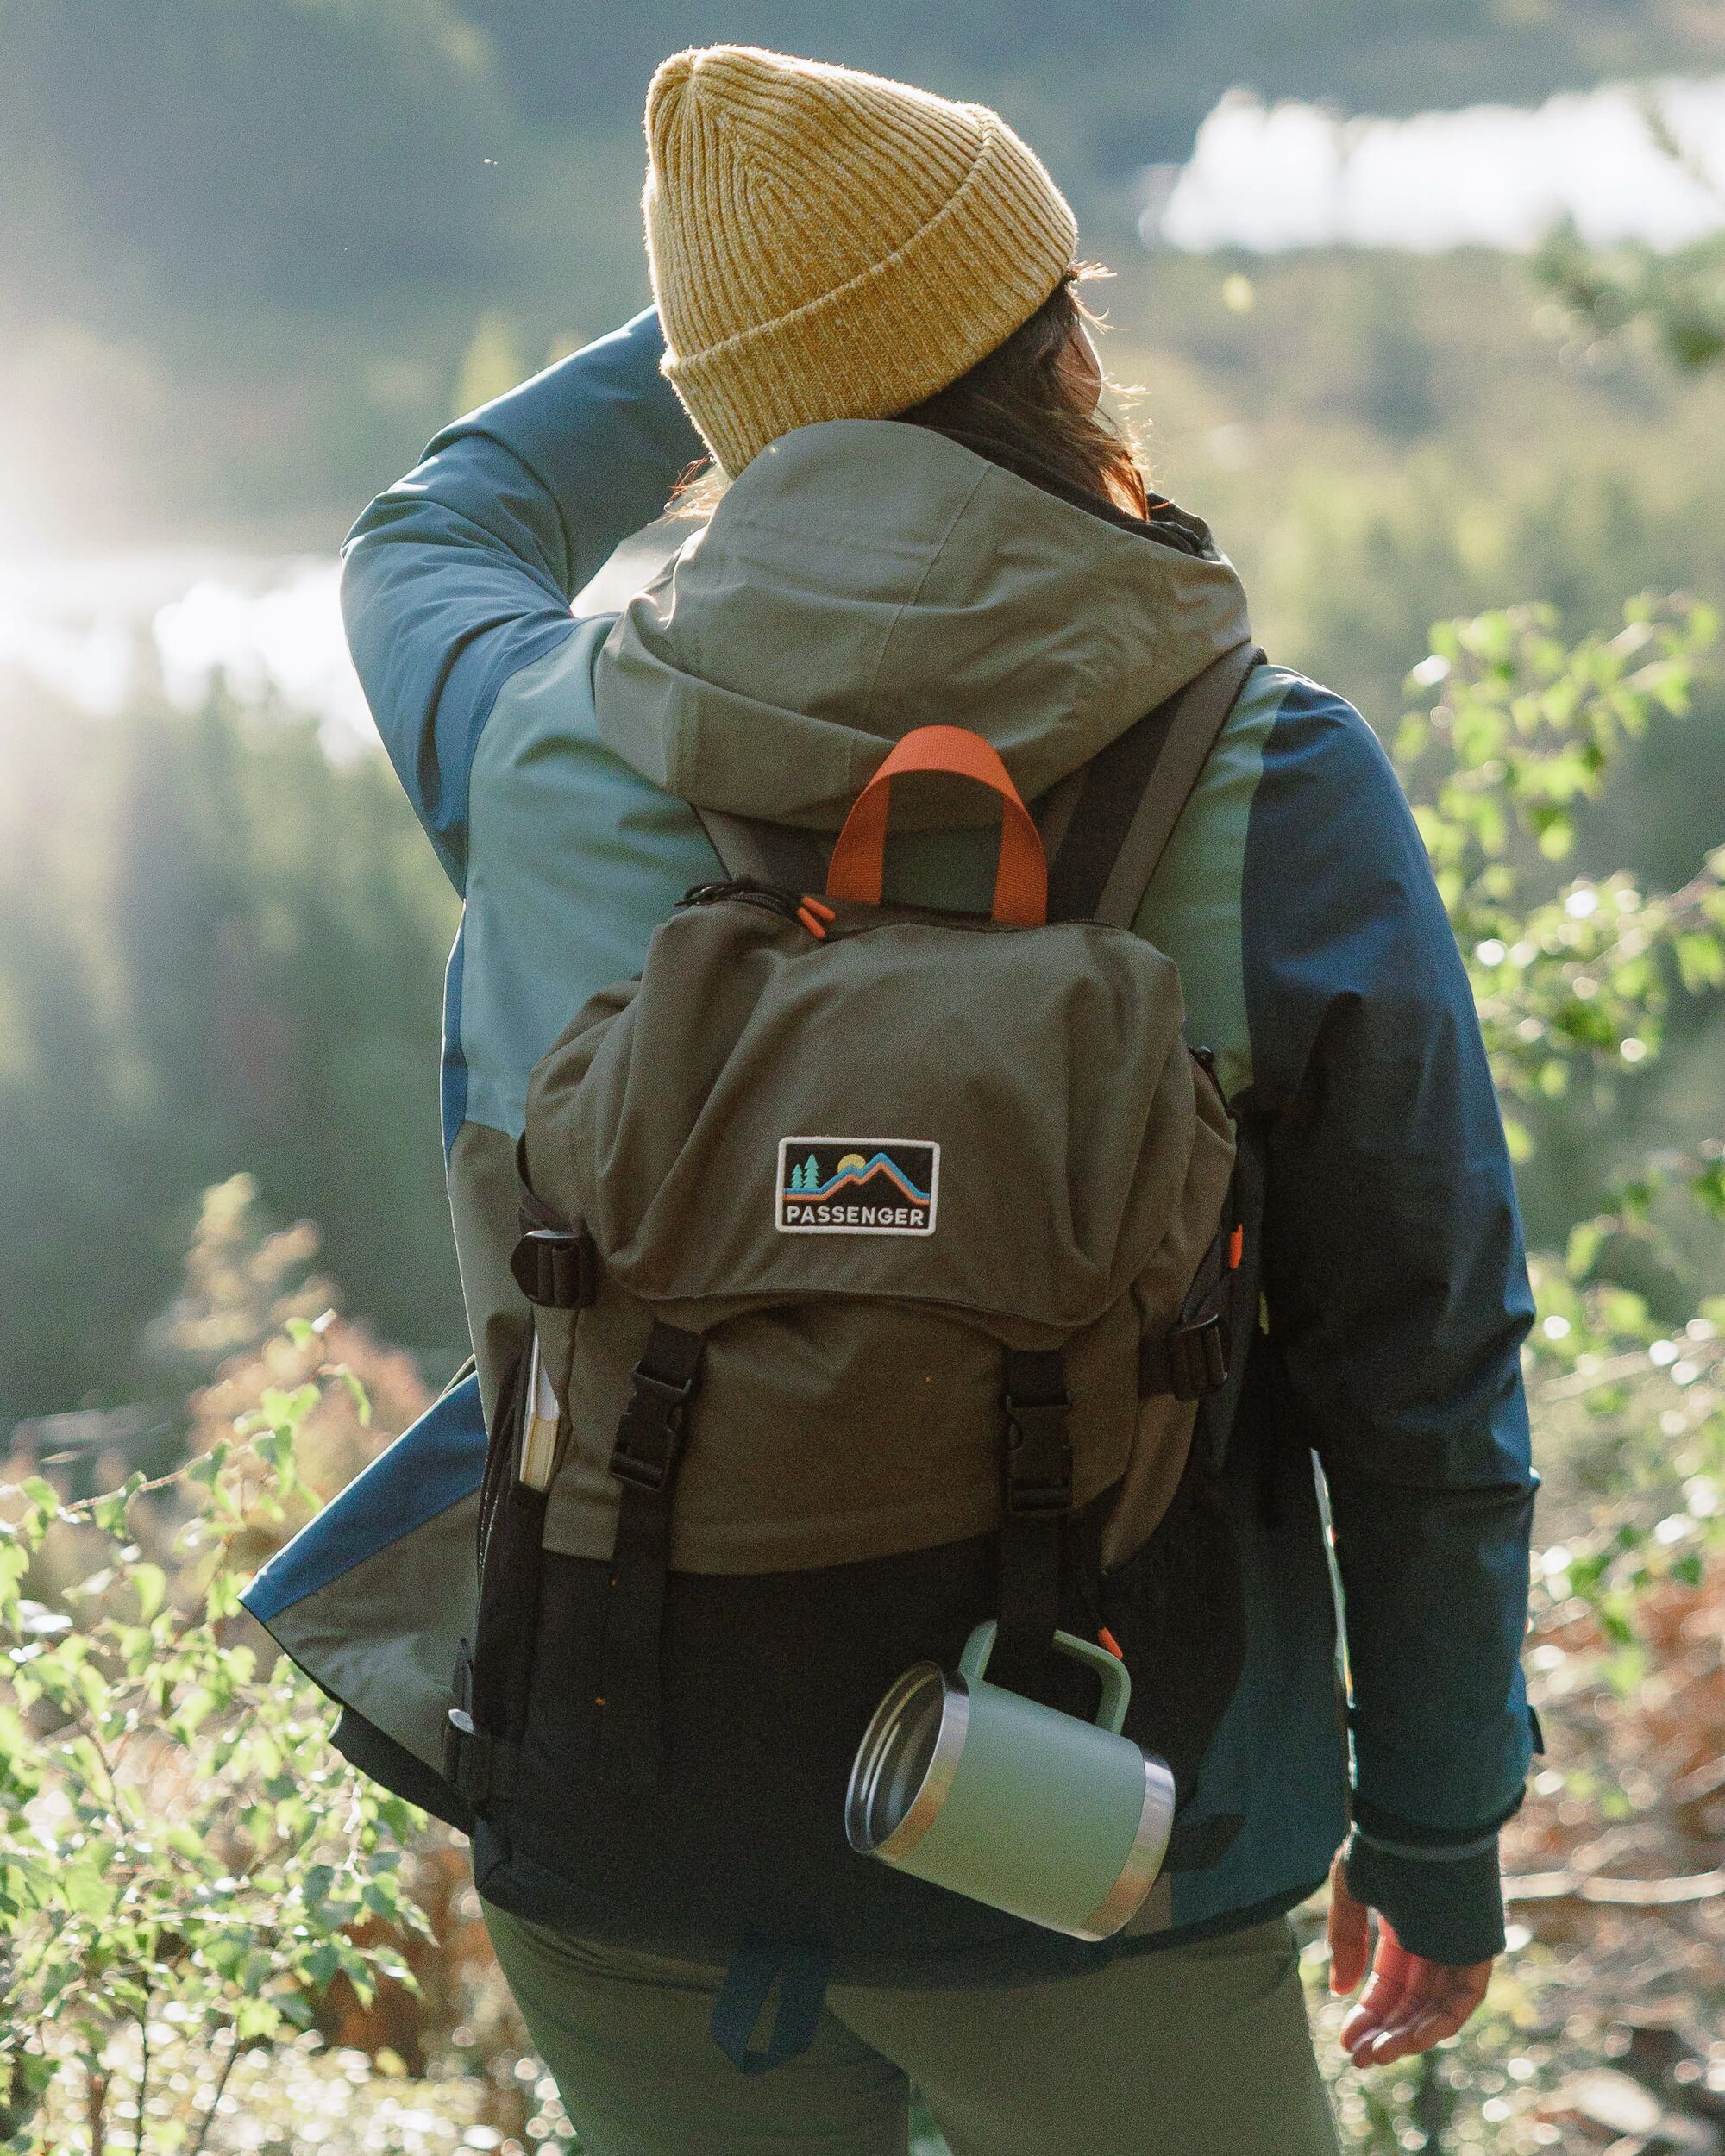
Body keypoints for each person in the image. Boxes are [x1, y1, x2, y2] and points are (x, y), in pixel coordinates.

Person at [340, 44, 1540, 2156]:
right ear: (1057, 345)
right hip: (1111, 1846)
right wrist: (1435, 1824)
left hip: (626, 1830)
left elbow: (441, 518)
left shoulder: (537, 731)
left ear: (732, 398)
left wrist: (735, 315)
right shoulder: (1273, 779)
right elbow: (1419, 1364)